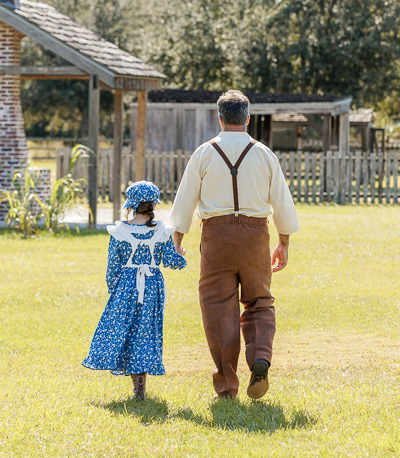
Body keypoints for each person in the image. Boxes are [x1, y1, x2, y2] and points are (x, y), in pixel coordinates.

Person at [168, 90, 300, 400]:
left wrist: (177, 238)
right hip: (256, 235)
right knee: (259, 301)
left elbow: (185, 199)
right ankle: (260, 359)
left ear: (220, 118)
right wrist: (283, 241)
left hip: (216, 237)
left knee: (218, 307)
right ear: (248, 118)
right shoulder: (264, 153)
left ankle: (227, 386)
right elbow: (281, 201)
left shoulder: (204, 152)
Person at [83, 181, 187, 400]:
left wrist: (116, 290)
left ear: (131, 203)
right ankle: (140, 386)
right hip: (152, 286)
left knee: (126, 331)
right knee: (145, 332)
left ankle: (135, 386)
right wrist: (182, 257)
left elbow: (112, 268)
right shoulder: (161, 231)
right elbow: (171, 261)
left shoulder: (120, 231)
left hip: (125, 286)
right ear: (153, 204)